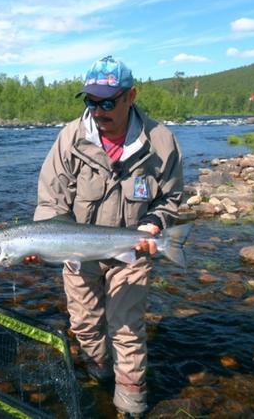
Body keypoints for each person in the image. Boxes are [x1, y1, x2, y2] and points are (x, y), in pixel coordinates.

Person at [30, 56, 183, 417]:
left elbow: (171, 197)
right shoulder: (70, 139)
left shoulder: (160, 142)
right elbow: (52, 201)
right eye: (91, 101)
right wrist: (40, 241)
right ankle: (98, 375)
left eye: (108, 102)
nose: (98, 110)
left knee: (127, 329)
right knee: (84, 326)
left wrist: (155, 224)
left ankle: (130, 403)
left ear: (131, 96)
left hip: (131, 248)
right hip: (78, 251)